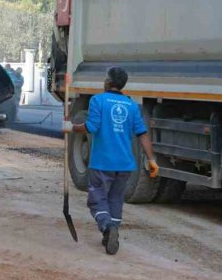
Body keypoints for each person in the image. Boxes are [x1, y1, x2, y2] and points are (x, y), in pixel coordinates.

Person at [65, 66, 158, 255]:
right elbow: (142, 134)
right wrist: (152, 160)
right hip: (124, 164)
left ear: (107, 81)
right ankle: (112, 230)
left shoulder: (98, 100)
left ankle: (107, 226)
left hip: (102, 163)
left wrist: (71, 127)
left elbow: (91, 126)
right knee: (116, 199)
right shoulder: (132, 106)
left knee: (97, 199)